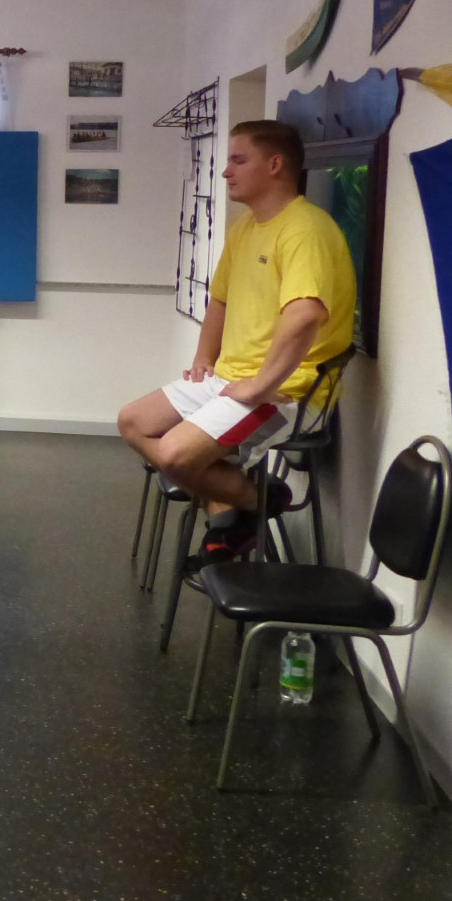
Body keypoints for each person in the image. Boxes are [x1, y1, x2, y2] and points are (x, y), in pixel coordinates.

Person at [118, 119, 355, 568]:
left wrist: (262, 385)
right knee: (133, 422)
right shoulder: (247, 228)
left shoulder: (306, 229)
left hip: (287, 394)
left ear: (275, 165)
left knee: (174, 455)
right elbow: (221, 298)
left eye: (238, 160)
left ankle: (245, 507)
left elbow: (306, 314)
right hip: (232, 380)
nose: (226, 171)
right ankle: (247, 501)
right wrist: (204, 356)